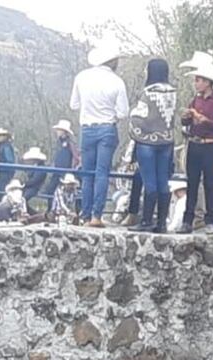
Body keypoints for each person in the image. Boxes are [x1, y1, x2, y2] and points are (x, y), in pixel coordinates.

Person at [70, 44, 129, 227]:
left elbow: (74, 104)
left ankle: (85, 216)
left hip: (87, 128)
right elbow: (123, 112)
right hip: (107, 128)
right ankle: (97, 215)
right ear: (113, 62)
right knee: (102, 172)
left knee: (87, 174)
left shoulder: (82, 77)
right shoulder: (117, 82)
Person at [128, 58, 177, 233]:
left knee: (149, 181)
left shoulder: (148, 93)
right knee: (163, 181)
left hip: (148, 141)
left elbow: (139, 116)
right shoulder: (172, 92)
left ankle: (146, 220)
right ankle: (161, 222)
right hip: (167, 141)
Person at [180, 63, 213, 234]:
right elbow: (186, 124)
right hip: (194, 143)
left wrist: (205, 121)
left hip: (209, 145)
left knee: (209, 183)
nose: (196, 83)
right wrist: (186, 118)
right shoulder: (196, 99)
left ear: (208, 82)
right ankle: (188, 220)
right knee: (191, 183)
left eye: (198, 80)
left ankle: (210, 219)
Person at [44, 119, 79, 201]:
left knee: (54, 191)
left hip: (63, 171)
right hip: (58, 171)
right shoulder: (61, 143)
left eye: (59, 130)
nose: (57, 132)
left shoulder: (68, 144)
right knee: (51, 191)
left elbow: (67, 159)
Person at [20, 147, 48, 213]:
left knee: (24, 198)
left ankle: (30, 213)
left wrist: (24, 184)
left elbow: (35, 180)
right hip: (31, 187)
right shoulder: (35, 166)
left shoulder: (41, 168)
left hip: (36, 188)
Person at [0, 128, 17, 197]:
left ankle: (6, 204)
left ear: (5, 137)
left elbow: (9, 160)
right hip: (2, 171)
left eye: (1, 135)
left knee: (1, 189)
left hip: (6, 171)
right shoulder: (2, 145)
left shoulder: (6, 146)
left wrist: (2, 165)